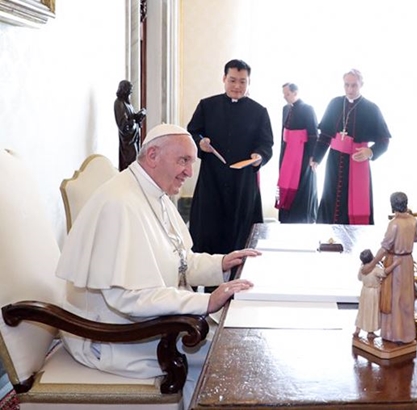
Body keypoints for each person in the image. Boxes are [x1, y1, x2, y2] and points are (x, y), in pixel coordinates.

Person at [55, 123, 261, 409]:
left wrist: (221, 264)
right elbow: (127, 297)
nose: (190, 171)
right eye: (184, 160)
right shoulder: (121, 204)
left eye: (191, 161)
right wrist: (206, 301)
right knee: (231, 352)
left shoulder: (153, 194)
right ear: (153, 155)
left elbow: (179, 261)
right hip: (115, 338)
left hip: (149, 324)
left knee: (238, 341)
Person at [187, 59, 274, 274]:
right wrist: (200, 142)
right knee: (208, 232)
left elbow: (266, 144)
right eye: (233, 80)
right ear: (224, 79)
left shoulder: (259, 111)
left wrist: (259, 155)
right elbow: (191, 132)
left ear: (248, 82)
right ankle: (207, 286)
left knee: (241, 235)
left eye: (242, 82)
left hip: (243, 183)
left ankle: (238, 284)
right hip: (212, 181)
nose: (237, 86)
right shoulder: (207, 106)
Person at [312, 69, 391, 225]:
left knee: (356, 202)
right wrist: (316, 157)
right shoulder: (335, 103)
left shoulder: (371, 108)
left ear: (361, 84)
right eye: (346, 85)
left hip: (358, 161)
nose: (350, 89)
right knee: (331, 196)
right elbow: (325, 135)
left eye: (354, 85)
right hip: (334, 162)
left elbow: (384, 140)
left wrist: (371, 151)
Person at [363, 192, 417, 344]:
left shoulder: (394, 224)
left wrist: (372, 264)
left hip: (395, 262)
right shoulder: (413, 220)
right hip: (408, 261)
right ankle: (407, 333)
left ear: (393, 205)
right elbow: (416, 238)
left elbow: (384, 248)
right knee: (407, 299)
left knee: (395, 298)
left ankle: (395, 334)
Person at [277, 82, 319, 223]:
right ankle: (285, 218)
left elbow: (314, 134)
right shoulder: (285, 109)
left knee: (302, 188)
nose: (285, 97)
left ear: (295, 93)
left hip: (303, 156)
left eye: (287, 94)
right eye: (284, 94)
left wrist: (314, 156)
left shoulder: (308, 109)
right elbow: (283, 134)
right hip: (287, 153)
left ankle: (301, 219)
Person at [354, 248, 400, 338]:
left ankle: (357, 330)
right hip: (373, 293)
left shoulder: (362, 268)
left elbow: (359, 278)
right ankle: (370, 332)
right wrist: (394, 264)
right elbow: (384, 272)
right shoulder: (375, 269)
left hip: (364, 291)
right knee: (372, 312)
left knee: (362, 310)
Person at [114, 79, 146, 171]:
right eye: (128, 92)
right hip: (127, 141)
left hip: (133, 138)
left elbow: (131, 117)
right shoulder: (119, 103)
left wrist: (139, 115)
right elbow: (123, 126)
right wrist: (134, 121)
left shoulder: (128, 104)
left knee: (136, 162)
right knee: (130, 164)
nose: (129, 95)